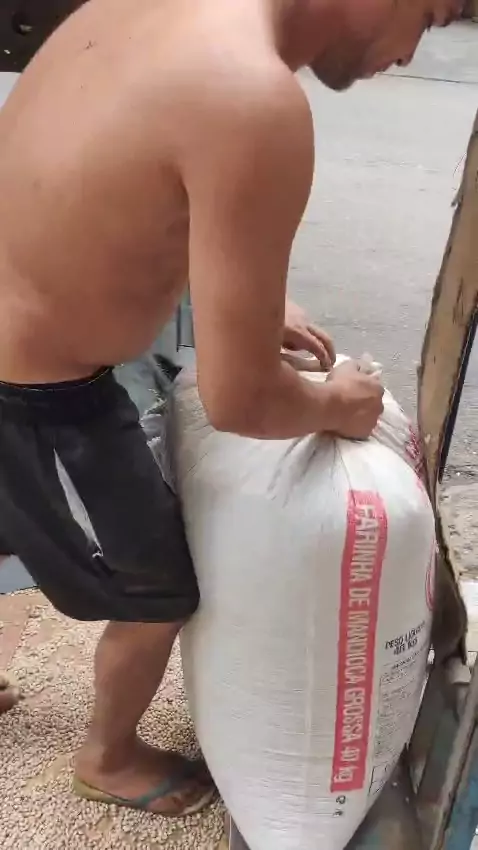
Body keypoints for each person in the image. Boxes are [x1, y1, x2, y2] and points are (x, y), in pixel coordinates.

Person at [0, 0, 463, 815]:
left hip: (22, 346)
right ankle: (107, 756)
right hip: (41, 402)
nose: (411, 51)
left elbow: (121, 193)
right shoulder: (251, 98)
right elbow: (244, 400)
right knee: (155, 588)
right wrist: (338, 404)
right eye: (431, 16)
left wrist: (241, 296)